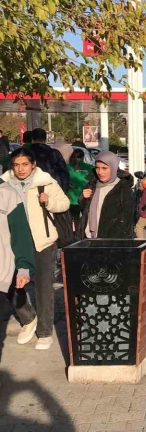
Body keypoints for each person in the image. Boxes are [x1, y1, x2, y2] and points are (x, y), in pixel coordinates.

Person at [1, 148, 70, 350]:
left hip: (43, 241)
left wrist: (49, 202)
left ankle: (44, 332)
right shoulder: (4, 186)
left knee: (43, 287)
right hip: (12, 242)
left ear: (33, 165)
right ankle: (28, 318)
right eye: (16, 165)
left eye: (25, 164)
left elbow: (64, 203)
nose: (21, 169)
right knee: (11, 284)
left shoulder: (45, 183)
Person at [0, 171, 37, 346]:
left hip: (3, 266)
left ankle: (28, 319)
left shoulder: (8, 193)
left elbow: (21, 235)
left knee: (14, 290)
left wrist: (23, 267)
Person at [76, 151, 135, 240]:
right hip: (89, 237)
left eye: (104, 168)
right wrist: (83, 198)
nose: (100, 172)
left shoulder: (123, 189)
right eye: (97, 168)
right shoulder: (92, 185)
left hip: (111, 242)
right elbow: (84, 210)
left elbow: (129, 220)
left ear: (113, 167)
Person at [24, 128, 70, 193]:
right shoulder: (54, 153)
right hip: (52, 189)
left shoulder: (25, 154)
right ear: (45, 140)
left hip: (30, 191)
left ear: (32, 139)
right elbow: (64, 173)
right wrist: (63, 191)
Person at [67, 148, 94, 220]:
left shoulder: (67, 167)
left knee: (73, 221)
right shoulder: (90, 167)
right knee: (85, 220)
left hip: (71, 199)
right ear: (83, 157)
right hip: (85, 199)